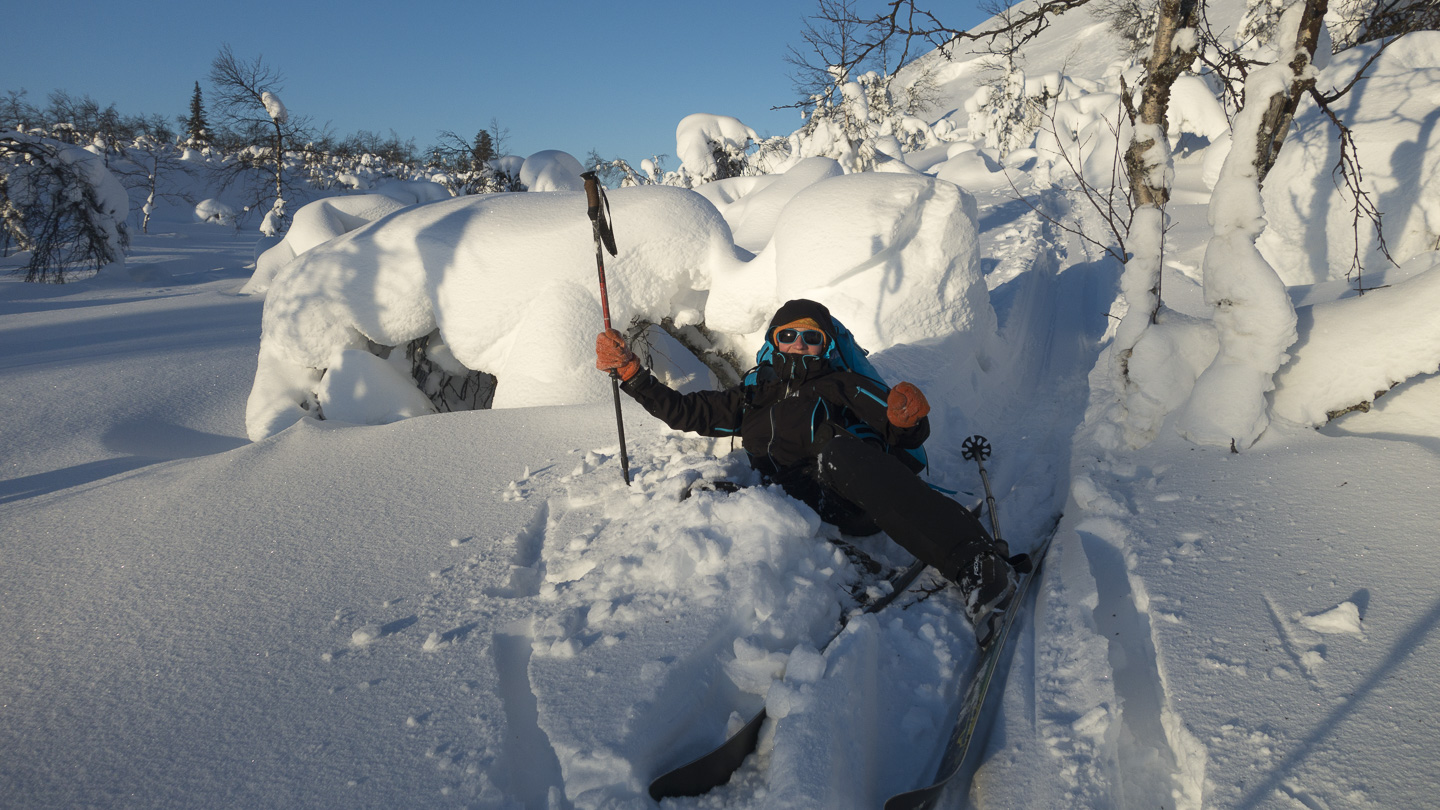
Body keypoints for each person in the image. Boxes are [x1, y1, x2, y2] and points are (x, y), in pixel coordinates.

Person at [595, 298, 1018, 646]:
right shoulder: (755, 395)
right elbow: (689, 412)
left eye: (810, 337)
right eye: (789, 335)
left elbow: (895, 427)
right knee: (706, 491)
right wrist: (632, 374)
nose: (799, 344)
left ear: (825, 346)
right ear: (775, 342)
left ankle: (976, 563)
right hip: (790, 505)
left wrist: (909, 420)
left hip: (849, 494)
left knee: (839, 452)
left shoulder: (843, 384)